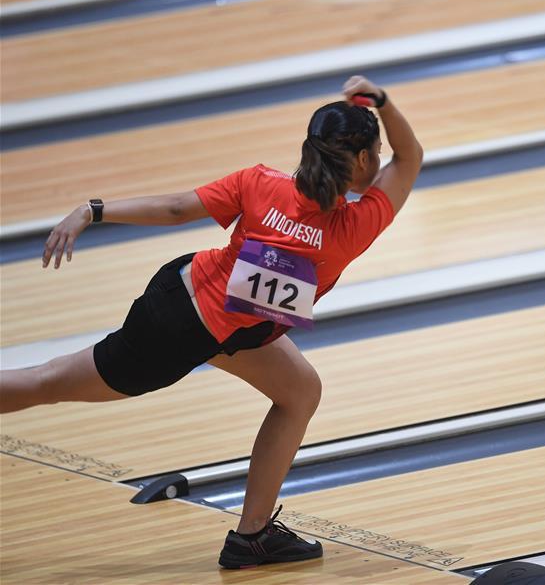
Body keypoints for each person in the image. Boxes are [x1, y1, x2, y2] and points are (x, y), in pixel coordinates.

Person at [0, 75, 423, 570]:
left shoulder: (262, 182)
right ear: (368, 161)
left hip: (198, 301)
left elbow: (178, 208)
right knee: (49, 382)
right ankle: (253, 536)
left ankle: (253, 537)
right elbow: (410, 156)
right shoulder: (353, 227)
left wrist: (92, 210)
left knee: (300, 391)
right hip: (181, 333)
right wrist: (385, 103)